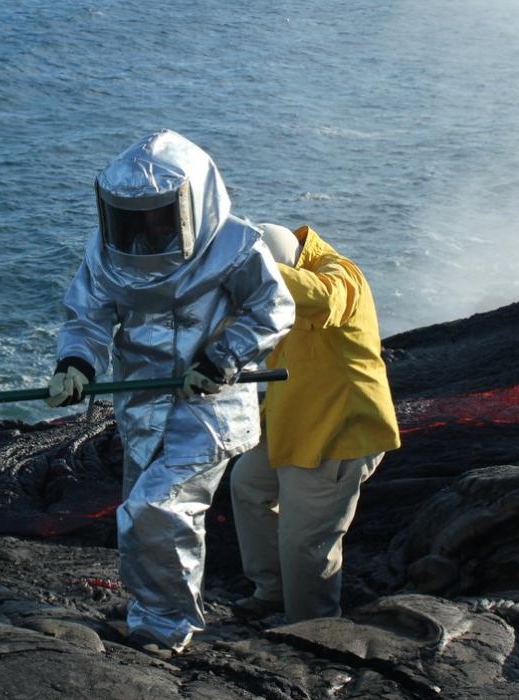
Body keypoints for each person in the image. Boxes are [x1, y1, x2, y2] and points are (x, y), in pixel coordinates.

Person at [44, 130, 295, 657]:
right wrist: (75, 364)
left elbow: (274, 310)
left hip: (210, 407)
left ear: (193, 202)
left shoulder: (236, 245)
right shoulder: (106, 254)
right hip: (141, 407)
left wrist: (220, 358)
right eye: (131, 222)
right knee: (153, 510)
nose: (141, 235)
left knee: (157, 508)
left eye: (157, 220)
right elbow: (88, 316)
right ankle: (149, 611)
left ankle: (164, 630)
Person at [229, 223, 401, 622]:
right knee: (248, 485)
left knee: (307, 541)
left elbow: (326, 298)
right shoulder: (286, 272)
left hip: (336, 432)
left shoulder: (341, 273)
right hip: (289, 422)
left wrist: (253, 272)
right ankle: (271, 591)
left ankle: (310, 626)